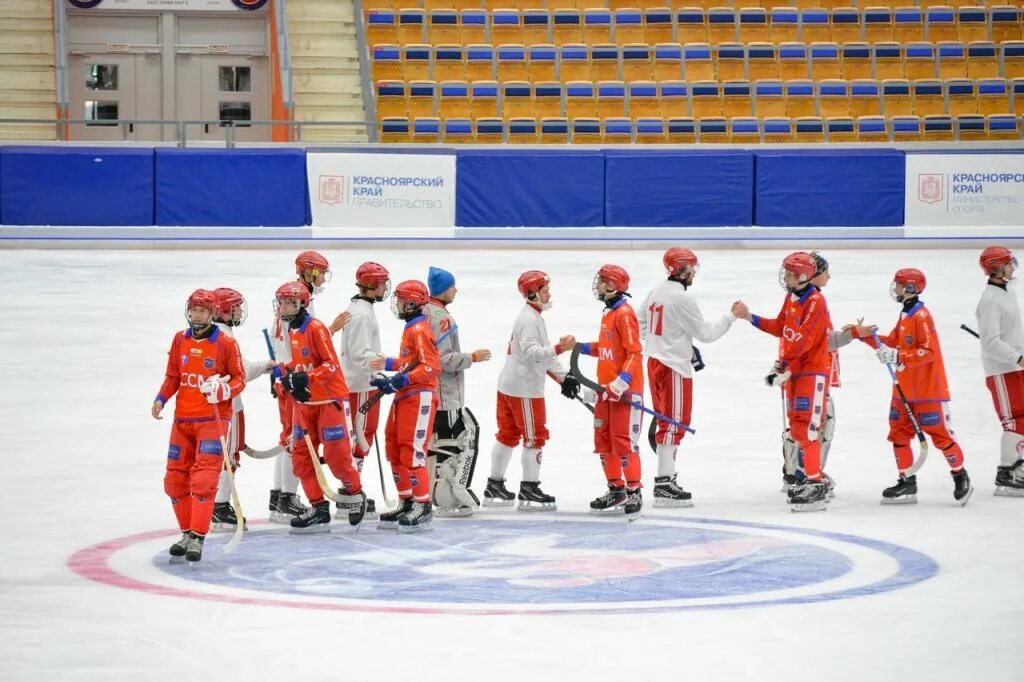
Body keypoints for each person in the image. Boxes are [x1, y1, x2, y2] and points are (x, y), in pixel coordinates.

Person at [636, 248, 739, 507]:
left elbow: (641, 323)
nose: (694, 273)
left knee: (666, 422)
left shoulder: (657, 291)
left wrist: (663, 342)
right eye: (691, 268)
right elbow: (707, 333)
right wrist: (732, 316)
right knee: (674, 423)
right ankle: (664, 483)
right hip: (674, 368)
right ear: (682, 270)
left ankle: (665, 480)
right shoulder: (683, 299)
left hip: (655, 362)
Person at [862, 268, 972, 505]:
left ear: (910, 288)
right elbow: (892, 342)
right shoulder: (905, 314)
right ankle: (907, 481)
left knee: (941, 435)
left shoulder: (922, 316)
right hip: (903, 391)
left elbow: (928, 352)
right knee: (899, 433)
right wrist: (863, 336)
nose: (895, 288)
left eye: (899, 285)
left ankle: (960, 475)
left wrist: (897, 355)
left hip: (927, 390)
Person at [152, 289, 246, 563]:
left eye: (204, 310)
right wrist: (160, 399)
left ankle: (198, 536)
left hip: (212, 421)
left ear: (213, 313)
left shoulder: (226, 343)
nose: (198, 315)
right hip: (183, 420)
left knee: (204, 480)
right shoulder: (179, 339)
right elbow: (172, 376)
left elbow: (239, 377)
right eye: (194, 309)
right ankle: (186, 532)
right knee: (174, 480)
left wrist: (224, 390)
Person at [734, 252, 831, 512]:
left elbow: (805, 340)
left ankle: (815, 482)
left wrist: (781, 364)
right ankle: (807, 477)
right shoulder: (791, 297)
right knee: (798, 428)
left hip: (812, 373)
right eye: (785, 272)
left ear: (802, 275)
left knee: (809, 429)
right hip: (794, 373)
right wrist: (749, 317)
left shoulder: (816, 302)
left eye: (790, 273)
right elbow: (780, 327)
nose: (785, 277)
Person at [273, 281, 367, 533]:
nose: (284, 307)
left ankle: (356, 495)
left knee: (337, 459)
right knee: (302, 458)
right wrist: (284, 374)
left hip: (330, 403)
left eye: (289, 302)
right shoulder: (291, 330)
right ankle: (318, 508)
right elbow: (300, 363)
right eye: (281, 302)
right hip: (306, 405)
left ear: (303, 303)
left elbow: (331, 365)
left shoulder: (316, 329)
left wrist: (305, 378)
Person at [779, 252, 876, 498]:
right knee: (817, 425)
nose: (829, 277)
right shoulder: (812, 303)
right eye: (825, 272)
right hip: (809, 375)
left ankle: (798, 473)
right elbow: (820, 343)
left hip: (798, 373)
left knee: (802, 425)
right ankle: (809, 475)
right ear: (811, 275)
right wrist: (854, 333)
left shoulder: (800, 301)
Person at [485, 270, 577, 511]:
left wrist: (564, 377)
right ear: (532, 293)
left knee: (507, 434)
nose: (549, 294)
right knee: (535, 436)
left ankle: (494, 486)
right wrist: (560, 348)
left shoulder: (533, 317)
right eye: (545, 290)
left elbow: (540, 355)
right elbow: (532, 354)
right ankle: (529, 488)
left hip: (510, 385)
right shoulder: (529, 320)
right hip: (524, 389)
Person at [369, 280, 442, 532]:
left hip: (418, 397)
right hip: (405, 396)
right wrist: (388, 364)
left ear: (412, 302)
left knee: (411, 449)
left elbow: (431, 367)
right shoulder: (411, 327)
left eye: (400, 299)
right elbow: (412, 361)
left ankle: (422, 505)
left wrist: (404, 378)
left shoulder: (420, 330)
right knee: (395, 447)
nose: (397, 304)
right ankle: (407, 500)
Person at [266, 251, 333, 524]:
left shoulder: (288, 298)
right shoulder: (299, 301)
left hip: (286, 376)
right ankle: (287, 499)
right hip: (296, 379)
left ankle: (280, 496)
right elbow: (308, 342)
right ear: (309, 272)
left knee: (288, 438)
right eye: (319, 272)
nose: (322, 278)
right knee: (295, 439)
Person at [423, 267, 491, 517]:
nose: (455, 290)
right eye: (452, 287)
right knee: (450, 445)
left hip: (429, 392)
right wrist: (473, 357)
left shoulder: (423, 311)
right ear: (443, 289)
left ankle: (430, 493)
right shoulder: (442, 317)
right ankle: (446, 499)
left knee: (434, 444)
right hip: (446, 394)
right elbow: (444, 358)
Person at [579, 264, 645, 520]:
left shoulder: (624, 314)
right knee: (604, 441)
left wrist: (622, 382)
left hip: (624, 394)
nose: (597, 285)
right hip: (604, 393)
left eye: (602, 281)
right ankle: (616, 489)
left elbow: (634, 352)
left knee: (623, 441)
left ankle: (634, 490)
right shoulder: (608, 313)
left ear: (613, 285)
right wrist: (581, 347)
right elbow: (607, 348)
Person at [209, 288, 276, 531]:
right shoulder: (225, 335)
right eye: (234, 306)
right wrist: (267, 365)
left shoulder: (209, 333)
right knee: (231, 455)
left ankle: (212, 503)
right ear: (222, 310)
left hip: (209, 406)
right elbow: (242, 371)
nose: (238, 310)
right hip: (230, 406)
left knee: (215, 456)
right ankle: (220, 506)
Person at [337, 262, 391, 518]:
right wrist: (379, 373)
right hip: (360, 385)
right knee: (358, 438)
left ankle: (350, 491)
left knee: (360, 437)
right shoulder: (361, 314)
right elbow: (360, 354)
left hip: (359, 384)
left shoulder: (361, 309)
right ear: (370, 285)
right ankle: (350, 494)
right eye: (381, 282)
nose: (384, 287)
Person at [975, 246, 1024, 496]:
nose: (1012, 267)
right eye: (1007, 264)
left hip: (1015, 367)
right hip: (1002, 370)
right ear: (996, 269)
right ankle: (1006, 476)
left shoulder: (1007, 292)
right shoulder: (990, 301)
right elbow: (991, 343)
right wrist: (1017, 357)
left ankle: (1018, 466)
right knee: (1014, 419)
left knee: (1023, 418)